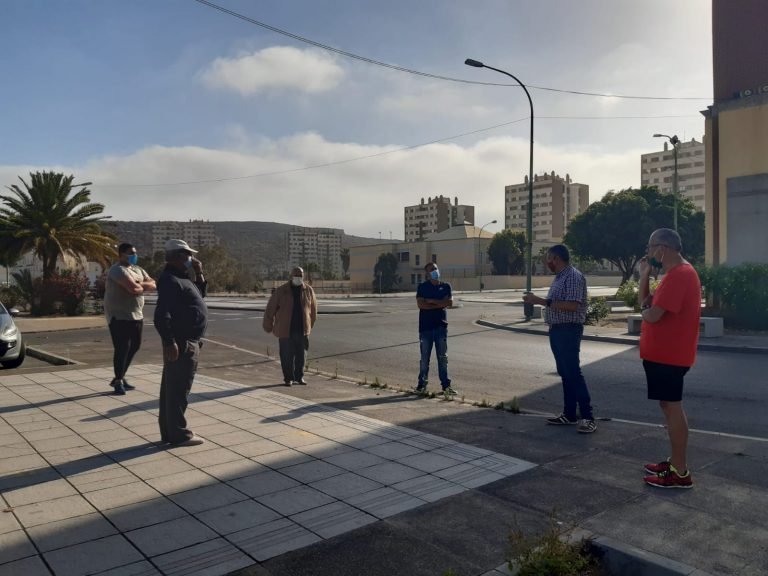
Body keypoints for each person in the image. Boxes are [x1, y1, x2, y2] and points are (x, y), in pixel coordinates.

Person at [639, 228, 701, 489]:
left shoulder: (680, 275)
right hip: (665, 356)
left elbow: (651, 314)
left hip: (670, 357)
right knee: (668, 405)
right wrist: (644, 276)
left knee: (673, 407)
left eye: (650, 247)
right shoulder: (673, 275)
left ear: (662, 249)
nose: (647, 252)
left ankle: (680, 472)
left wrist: (645, 306)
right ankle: (675, 462)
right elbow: (645, 303)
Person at [523, 244, 596, 433]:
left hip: (568, 330)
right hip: (557, 330)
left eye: (549, 258)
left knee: (573, 372)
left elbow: (572, 305)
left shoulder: (572, 276)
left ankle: (588, 417)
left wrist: (540, 301)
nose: (547, 262)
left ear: (557, 258)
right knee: (565, 373)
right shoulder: (560, 277)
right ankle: (569, 414)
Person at [154, 239, 208, 447]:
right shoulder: (170, 280)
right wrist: (170, 342)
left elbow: (200, 298)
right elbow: (161, 315)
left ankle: (169, 432)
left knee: (171, 389)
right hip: (182, 343)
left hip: (186, 341)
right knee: (178, 390)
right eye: (188, 255)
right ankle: (179, 434)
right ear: (178, 256)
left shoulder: (181, 278)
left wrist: (199, 273)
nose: (191, 258)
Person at [104, 242, 156, 395]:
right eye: (131, 253)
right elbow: (133, 289)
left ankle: (119, 376)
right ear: (121, 254)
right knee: (122, 348)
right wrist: (140, 285)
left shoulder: (137, 269)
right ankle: (118, 381)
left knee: (135, 346)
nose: (134, 255)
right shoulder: (117, 270)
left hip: (136, 314)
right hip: (119, 315)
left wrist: (141, 283)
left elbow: (153, 283)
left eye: (135, 252)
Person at [263, 267, 317, 386]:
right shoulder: (282, 291)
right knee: (286, 356)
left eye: (301, 276)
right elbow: (270, 309)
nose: (299, 278)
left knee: (301, 356)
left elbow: (313, 311)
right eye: (296, 275)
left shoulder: (308, 290)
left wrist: (309, 326)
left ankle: (299, 377)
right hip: (285, 330)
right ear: (291, 276)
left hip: (302, 330)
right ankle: (288, 378)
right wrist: (268, 325)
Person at [416, 262, 457, 398]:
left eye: (436, 268)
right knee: (424, 358)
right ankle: (422, 385)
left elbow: (450, 303)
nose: (435, 271)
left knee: (443, 358)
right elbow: (421, 305)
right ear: (427, 274)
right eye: (432, 270)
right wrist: (440, 304)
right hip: (426, 328)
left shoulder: (446, 286)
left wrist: (432, 301)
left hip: (441, 328)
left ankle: (446, 386)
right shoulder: (422, 287)